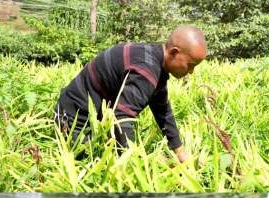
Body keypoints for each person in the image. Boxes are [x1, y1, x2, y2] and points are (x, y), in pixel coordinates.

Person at [55, 25, 207, 162]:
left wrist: (179, 152)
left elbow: (163, 110)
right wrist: (134, 161)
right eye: (190, 65)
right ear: (174, 52)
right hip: (73, 123)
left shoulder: (153, 58)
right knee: (102, 163)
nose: (191, 72)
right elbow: (122, 117)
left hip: (88, 116)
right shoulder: (147, 70)